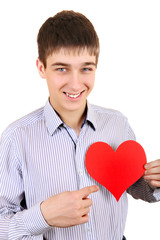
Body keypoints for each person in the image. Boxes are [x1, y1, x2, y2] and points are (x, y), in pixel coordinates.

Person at [0, 10, 160, 240]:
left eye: (86, 68)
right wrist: (43, 215)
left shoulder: (118, 125)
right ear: (41, 68)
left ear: (96, 66)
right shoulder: (17, 138)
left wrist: (154, 183)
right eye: (61, 68)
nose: (75, 84)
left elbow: (134, 186)